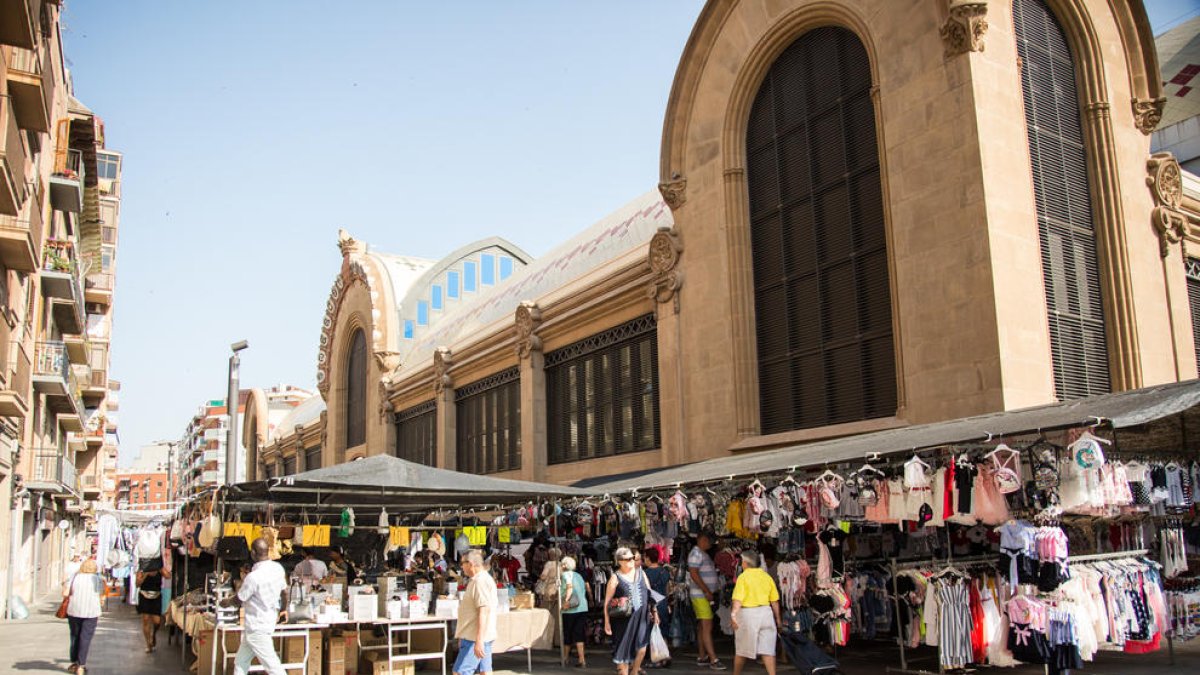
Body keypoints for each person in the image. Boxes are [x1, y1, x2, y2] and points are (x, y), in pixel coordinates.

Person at [231, 538, 290, 675]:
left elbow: (239, 599)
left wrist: (225, 602)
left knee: (273, 666)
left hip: (257, 626)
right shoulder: (278, 569)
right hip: (265, 623)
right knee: (240, 661)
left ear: (253, 553)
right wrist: (283, 610)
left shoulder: (253, 577)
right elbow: (285, 592)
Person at [604, 547, 656, 675]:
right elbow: (607, 602)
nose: (632, 560)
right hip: (623, 621)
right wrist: (606, 621)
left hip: (642, 618)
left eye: (633, 558)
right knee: (623, 652)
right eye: (628, 559)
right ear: (620, 561)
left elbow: (650, 594)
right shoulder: (615, 578)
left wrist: (655, 612)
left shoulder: (641, 573)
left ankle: (635, 671)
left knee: (642, 648)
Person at [730, 551, 782, 675]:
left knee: (742, 650)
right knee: (768, 650)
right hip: (766, 613)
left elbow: (738, 600)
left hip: (748, 614)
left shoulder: (743, 577)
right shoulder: (766, 577)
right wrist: (778, 620)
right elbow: (774, 601)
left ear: (745, 563)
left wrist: (733, 615)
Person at [455, 550, 498, 675]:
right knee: (485, 671)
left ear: (470, 564)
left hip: (474, 637)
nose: (461, 566)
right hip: (478, 635)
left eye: (462, 563)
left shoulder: (480, 581)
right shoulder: (480, 579)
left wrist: (478, 640)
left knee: (460, 672)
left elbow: (483, 611)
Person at [688, 532, 726, 670]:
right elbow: (693, 573)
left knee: (702, 626)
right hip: (701, 595)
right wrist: (706, 591)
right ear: (702, 540)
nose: (710, 544)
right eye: (709, 541)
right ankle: (713, 659)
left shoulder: (702, 553)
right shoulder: (696, 554)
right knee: (707, 626)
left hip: (703, 595)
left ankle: (702, 655)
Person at [64, 558, 102, 675]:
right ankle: (81, 666)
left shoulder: (74, 577)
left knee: (75, 636)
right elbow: (100, 594)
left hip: (74, 611)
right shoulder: (97, 579)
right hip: (91, 612)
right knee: (85, 638)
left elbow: (65, 593)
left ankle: (74, 662)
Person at [642, 547, 671, 668]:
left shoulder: (645, 573)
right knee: (663, 631)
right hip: (663, 603)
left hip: (651, 605)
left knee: (652, 632)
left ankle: (657, 659)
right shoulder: (665, 572)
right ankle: (666, 656)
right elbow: (668, 590)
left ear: (648, 558)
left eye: (644, 557)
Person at [560, 556, 590, 668]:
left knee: (567, 633)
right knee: (579, 633)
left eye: (561, 564)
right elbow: (584, 588)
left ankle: (565, 658)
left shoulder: (565, 575)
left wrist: (566, 601)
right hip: (582, 607)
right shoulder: (578, 575)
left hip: (571, 609)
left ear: (564, 565)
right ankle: (582, 659)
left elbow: (569, 587)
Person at [135, 563, 165, 652]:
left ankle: (153, 635)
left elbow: (168, 576)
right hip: (144, 595)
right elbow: (137, 584)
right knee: (145, 619)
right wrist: (146, 574)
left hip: (156, 596)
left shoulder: (159, 566)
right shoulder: (142, 569)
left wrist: (160, 569)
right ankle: (148, 644)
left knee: (157, 622)